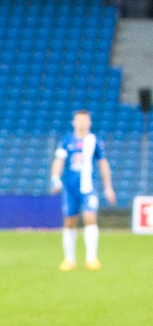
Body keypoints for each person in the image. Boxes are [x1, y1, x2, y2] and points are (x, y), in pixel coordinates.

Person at [51, 109, 116, 271]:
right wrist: (55, 178)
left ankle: (91, 258)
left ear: (89, 122)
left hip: (88, 188)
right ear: (73, 122)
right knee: (69, 222)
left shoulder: (94, 141)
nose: (81, 123)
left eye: (84, 120)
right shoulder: (66, 141)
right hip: (70, 189)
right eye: (78, 120)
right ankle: (69, 259)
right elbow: (59, 161)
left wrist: (108, 187)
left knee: (90, 218)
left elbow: (103, 163)